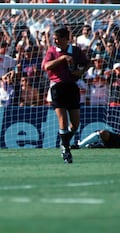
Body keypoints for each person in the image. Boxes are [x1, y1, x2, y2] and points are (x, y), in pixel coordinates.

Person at [42, 26, 90, 164]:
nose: (55, 41)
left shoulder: (75, 51)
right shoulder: (52, 51)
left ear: (65, 39)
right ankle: (66, 151)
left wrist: (80, 72)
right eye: (54, 38)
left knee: (75, 124)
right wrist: (63, 58)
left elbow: (86, 64)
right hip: (57, 87)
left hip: (72, 87)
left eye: (57, 38)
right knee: (62, 120)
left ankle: (64, 142)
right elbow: (46, 66)